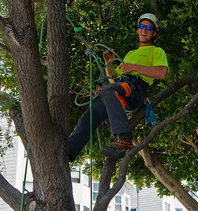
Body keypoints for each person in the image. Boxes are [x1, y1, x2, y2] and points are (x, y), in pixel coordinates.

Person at [68, 13, 169, 160]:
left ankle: (124, 139)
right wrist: (109, 63)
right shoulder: (130, 54)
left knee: (109, 91)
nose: (144, 30)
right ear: (137, 30)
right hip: (120, 89)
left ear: (154, 33)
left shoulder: (157, 51)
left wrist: (133, 67)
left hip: (136, 89)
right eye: (141, 26)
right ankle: (68, 153)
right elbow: (112, 82)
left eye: (148, 27)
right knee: (89, 117)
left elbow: (162, 72)